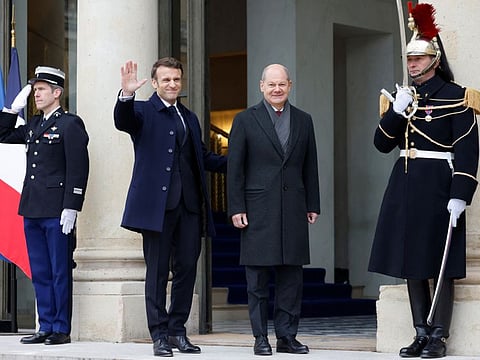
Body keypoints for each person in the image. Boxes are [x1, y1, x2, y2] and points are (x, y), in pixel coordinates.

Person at [368, 3, 479, 359]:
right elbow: (382, 144)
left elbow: (467, 151)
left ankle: (438, 336)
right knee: (410, 262)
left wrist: (461, 193)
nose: (412, 65)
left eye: (419, 59)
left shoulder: (457, 97)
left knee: (440, 265)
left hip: (439, 187)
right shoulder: (405, 97)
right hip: (404, 185)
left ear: (434, 60)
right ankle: (420, 331)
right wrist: (397, 112)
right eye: (410, 59)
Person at [113, 58, 226, 357]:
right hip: (157, 207)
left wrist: (238, 161)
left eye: (176, 79)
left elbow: (203, 157)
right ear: (154, 82)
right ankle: (159, 334)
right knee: (158, 272)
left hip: (189, 205)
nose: (172, 84)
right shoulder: (142, 111)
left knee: (188, 269)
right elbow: (123, 121)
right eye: (166, 80)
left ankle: (178, 331)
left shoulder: (188, 116)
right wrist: (126, 95)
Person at [227, 63, 320, 356]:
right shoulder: (244, 120)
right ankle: (260, 338)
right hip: (257, 209)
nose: (277, 89)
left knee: (292, 277)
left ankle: (287, 337)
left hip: (293, 207)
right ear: (261, 86)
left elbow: (310, 166)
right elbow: (235, 169)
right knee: (257, 278)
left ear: (289, 85)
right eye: (271, 85)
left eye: (282, 84)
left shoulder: (304, 120)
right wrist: (236, 206)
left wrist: (313, 204)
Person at [0, 66, 89, 345]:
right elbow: (2, 135)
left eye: (40, 89)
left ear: (57, 92)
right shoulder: (35, 125)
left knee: (59, 271)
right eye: (34, 89)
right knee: (40, 271)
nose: (35, 94)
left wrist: (72, 206)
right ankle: (45, 325)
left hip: (57, 209)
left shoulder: (70, 123)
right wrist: (11, 110)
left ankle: (60, 328)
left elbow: (78, 167)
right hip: (32, 208)